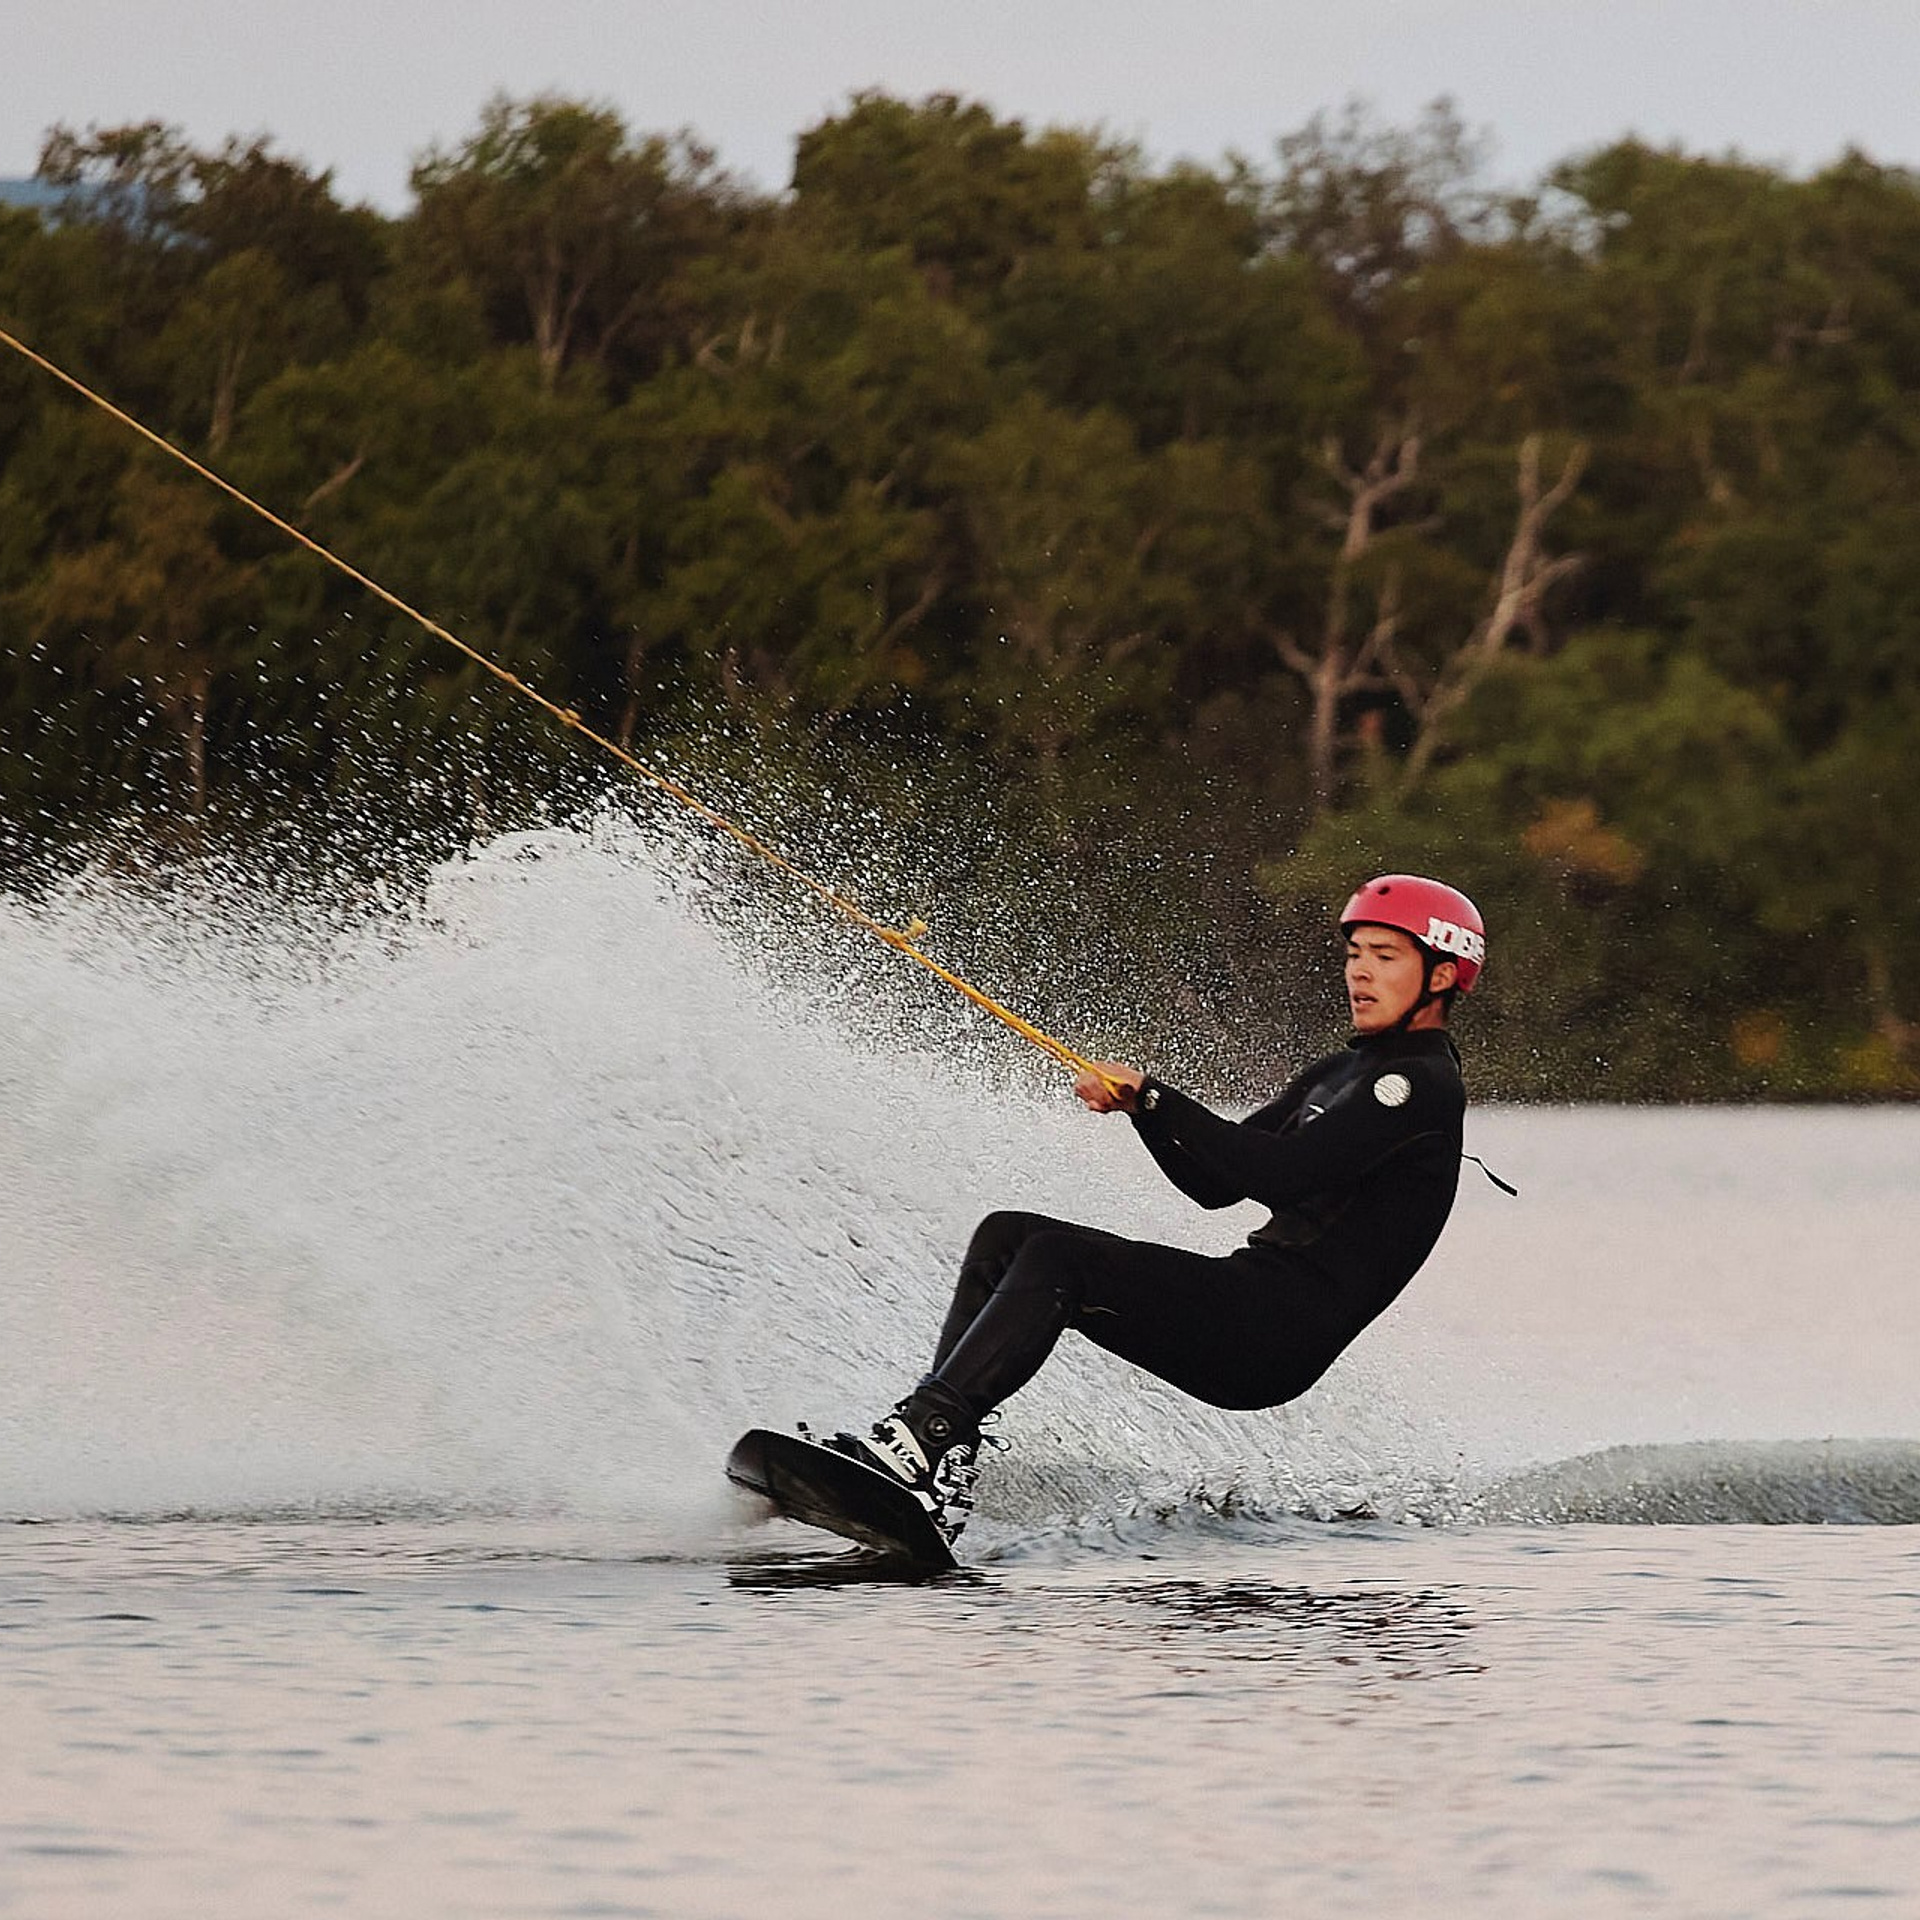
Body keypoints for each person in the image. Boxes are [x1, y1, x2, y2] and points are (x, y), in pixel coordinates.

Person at [815, 873, 1487, 1545]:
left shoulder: (1420, 1086)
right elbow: (1216, 1184)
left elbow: (1282, 1176)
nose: (1359, 973)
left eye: (1385, 956)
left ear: (1441, 976)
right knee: (1008, 1235)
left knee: (1060, 1259)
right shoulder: (1339, 1073)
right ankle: (939, 1459)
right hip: (1249, 1298)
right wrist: (1143, 1111)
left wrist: (1158, 1098)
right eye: (1354, 954)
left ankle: (921, 1438)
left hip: (1277, 1332)